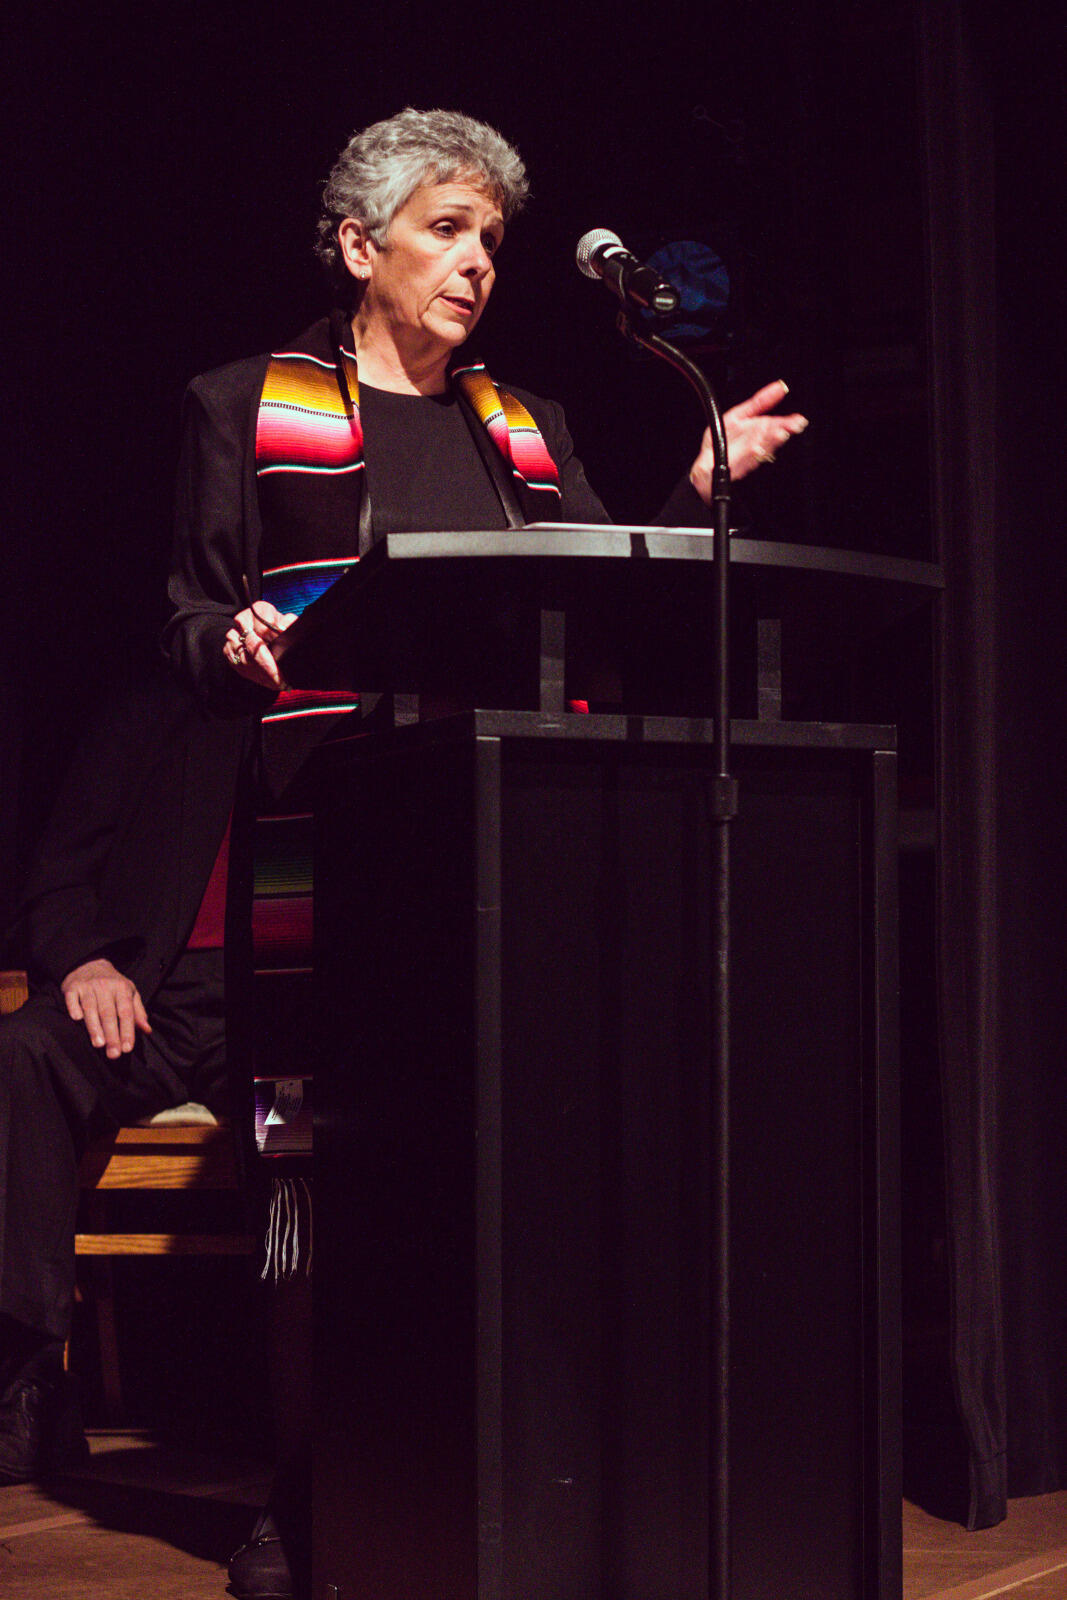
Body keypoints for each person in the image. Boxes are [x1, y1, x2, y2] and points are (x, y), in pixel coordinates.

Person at [161, 107, 808, 1599]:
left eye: (492, 241)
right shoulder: (238, 404)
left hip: (501, 857)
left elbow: (606, 602)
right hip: (330, 841)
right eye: (445, 230)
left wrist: (695, 491)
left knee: (502, 1178)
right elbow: (187, 616)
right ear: (357, 245)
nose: (475, 264)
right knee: (321, 1178)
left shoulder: (524, 426)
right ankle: (308, 1494)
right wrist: (231, 640)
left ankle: (505, 1483)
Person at [0, 671, 249, 1485]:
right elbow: (57, 877)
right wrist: (85, 960)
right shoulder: (150, 714)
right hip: (146, 1000)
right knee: (25, 1051)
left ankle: (336, 1402)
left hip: (281, 998)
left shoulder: (353, 715)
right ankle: (29, 1385)